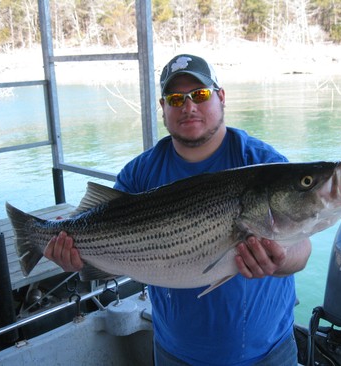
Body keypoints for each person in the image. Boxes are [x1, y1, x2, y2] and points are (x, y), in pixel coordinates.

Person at [45, 54, 312, 366]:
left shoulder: (263, 164)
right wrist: (73, 251)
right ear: (163, 108)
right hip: (176, 354)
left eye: (199, 95)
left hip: (267, 353)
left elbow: (302, 248)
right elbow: (105, 237)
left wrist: (278, 260)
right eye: (175, 99)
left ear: (221, 97)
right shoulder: (139, 174)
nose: (188, 107)